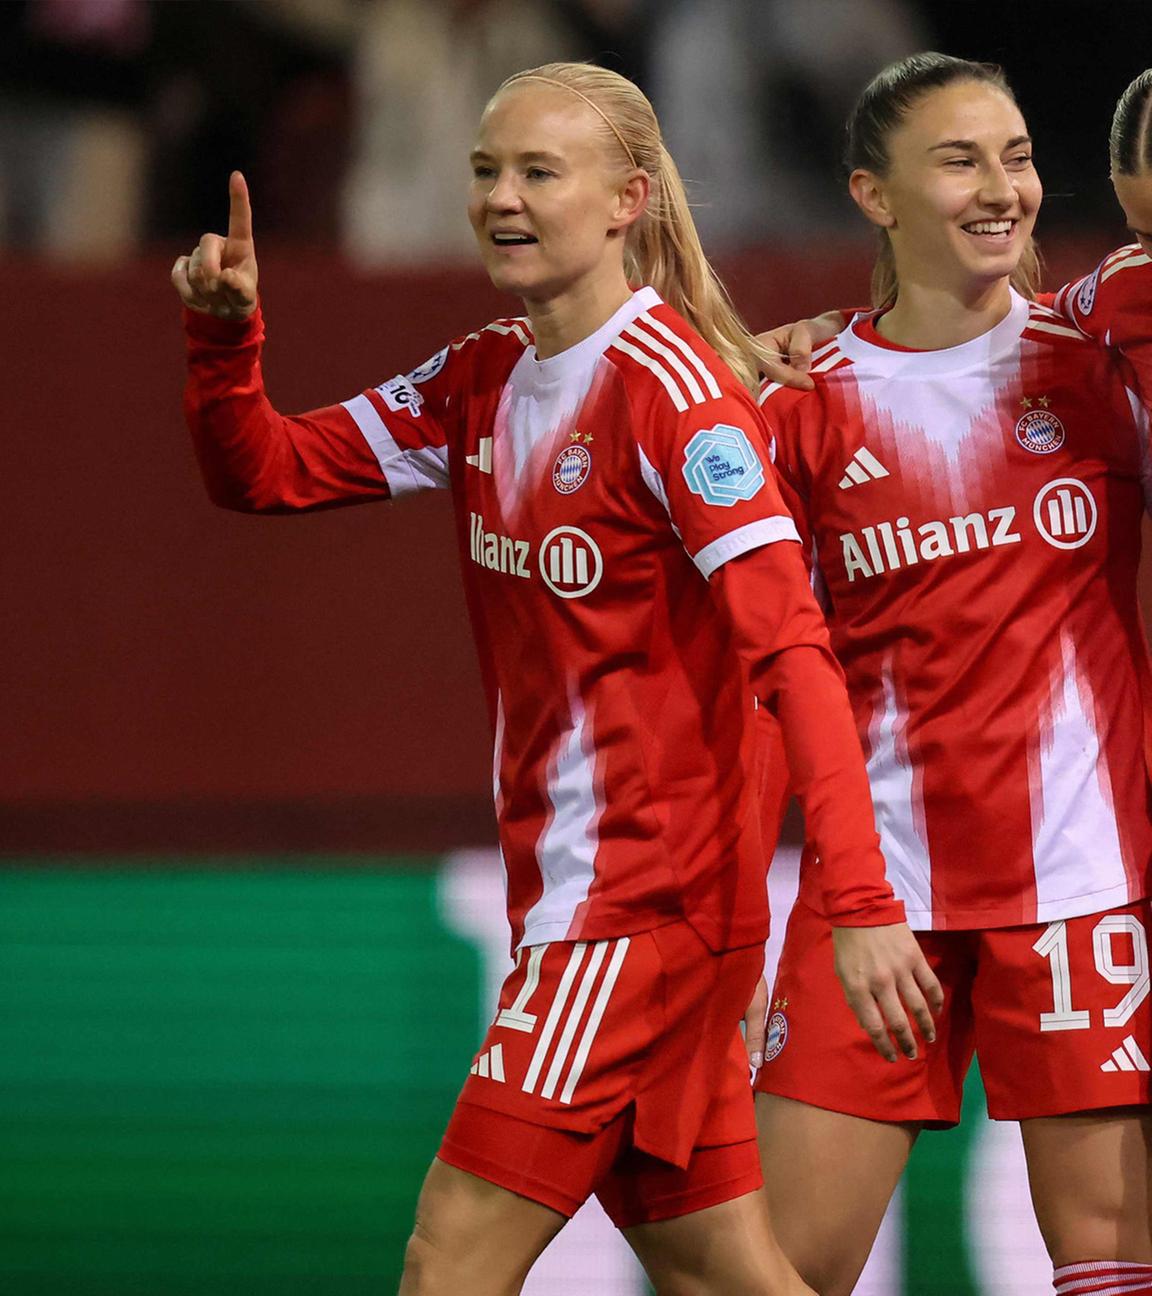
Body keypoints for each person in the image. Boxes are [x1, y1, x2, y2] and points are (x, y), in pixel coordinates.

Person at [171, 61, 941, 1296]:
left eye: (538, 172)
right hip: (590, 905)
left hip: (635, 914)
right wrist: (225, 337)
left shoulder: (680, 405)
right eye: (485, 172)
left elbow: (797, 656)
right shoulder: (483, 378)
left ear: (628, 199)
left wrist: (856, 905)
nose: (501, 199)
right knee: (718, 1270)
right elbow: (264, 469)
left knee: (447, 1261)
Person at [750, 53, 1152, 1296]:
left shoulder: (1103, 346)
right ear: (872, 193)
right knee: (778, 1273)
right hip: (882, 905)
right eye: (960, 159)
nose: (1002, 189)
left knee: (1112, 1265)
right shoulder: (799, 400)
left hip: (1082, 889)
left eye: (1020, 156)